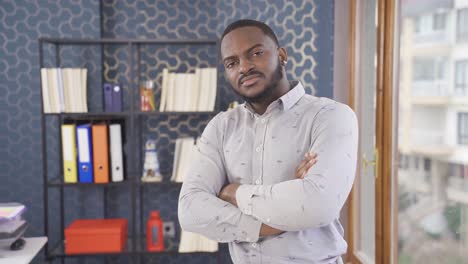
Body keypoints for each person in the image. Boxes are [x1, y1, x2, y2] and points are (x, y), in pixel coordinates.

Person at [178, 19, 358, 264]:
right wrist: (277, 220)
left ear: (282, 55)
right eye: (232, 63)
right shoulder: (221, 127)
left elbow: (317, 205)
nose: (244, 67)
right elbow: (190, 210)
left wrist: (233, 194)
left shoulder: (330, 116)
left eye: (256, 53)